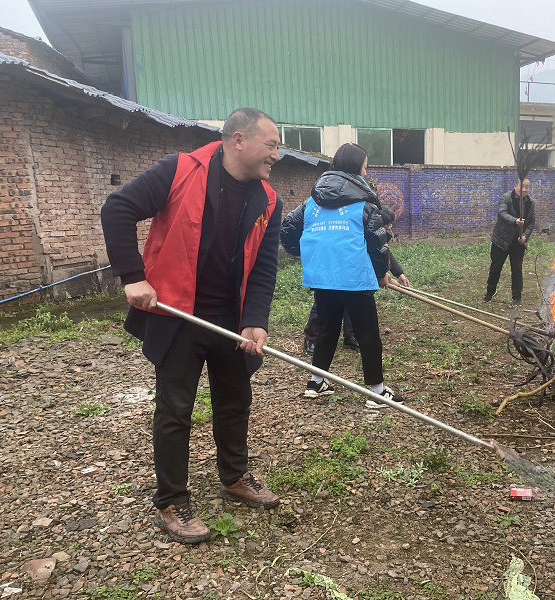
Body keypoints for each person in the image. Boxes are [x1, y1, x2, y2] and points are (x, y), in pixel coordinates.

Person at [100, 107, 283, 544]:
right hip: (178, 314)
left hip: (231, 322)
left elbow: (264, 266)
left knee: (236, 401)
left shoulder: (269, 200)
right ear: (238, 140)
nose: (277, 155)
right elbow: (118, 208)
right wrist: (133, 276)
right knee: (175, 410)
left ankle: (234, 476)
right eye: (272, 144)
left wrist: (256, 321)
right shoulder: (180, 170)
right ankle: (171, 499)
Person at [280, 143, 404, 409]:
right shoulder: (364, 205)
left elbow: (288, 228)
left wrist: (308, 254)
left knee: (326, 329)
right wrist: (382, 273)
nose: (366, 169)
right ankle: (377, 392)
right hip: (355, 279)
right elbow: (376, 242)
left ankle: (316, 382)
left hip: (323, 278)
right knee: (368, 333)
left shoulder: (311, 203)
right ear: (356, 168)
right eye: (365, 165)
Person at [301, 206, 410, 355]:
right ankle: (311, 339)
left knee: (353, 302)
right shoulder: (358, 228)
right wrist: (381, 274)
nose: (389, 227)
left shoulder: (376, 232)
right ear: (380, 222)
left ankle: (350, 336)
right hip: (334, 271)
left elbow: (383, 252)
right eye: (388, 224)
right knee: (323, 305)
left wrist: (398, 274)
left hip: (355, 274)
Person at [484, 179, 535, 306]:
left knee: (517, 269)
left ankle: (516, 297)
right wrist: (515, 221)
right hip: (501, 239)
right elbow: (502, 213)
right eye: (522, 187)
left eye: (527, 187)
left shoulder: (530, 202)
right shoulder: (506, 197)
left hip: (517, 242)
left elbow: (531, 222)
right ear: (515, 186)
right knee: (496, 267)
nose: (524, 190)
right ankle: (490, 293)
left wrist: (524, 236)